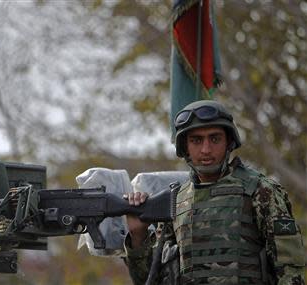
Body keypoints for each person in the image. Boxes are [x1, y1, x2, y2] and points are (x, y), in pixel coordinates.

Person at [123, 100, 305, 285]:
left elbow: (291, 273)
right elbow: (150, 280)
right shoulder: (176, 201)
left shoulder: (261, 191)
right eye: (196, 140)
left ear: (229, 142)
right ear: (185, 147)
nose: (206, 149)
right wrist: (138, 236)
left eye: (215, 139)